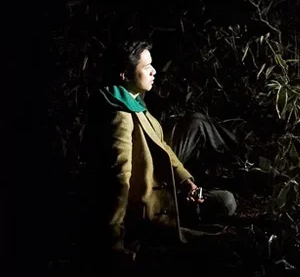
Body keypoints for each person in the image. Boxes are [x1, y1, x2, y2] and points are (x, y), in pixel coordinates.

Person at [79, 39, 238, 271]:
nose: (154, 71)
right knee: (224, 233)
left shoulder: (132, 101)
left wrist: (186, 181)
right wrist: (114, 240)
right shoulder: (120, 115)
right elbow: (119, 177)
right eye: (146, 67)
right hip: (150, 207)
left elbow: (162, 146)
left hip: (163, 189)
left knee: (226, 201)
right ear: (125, 74)